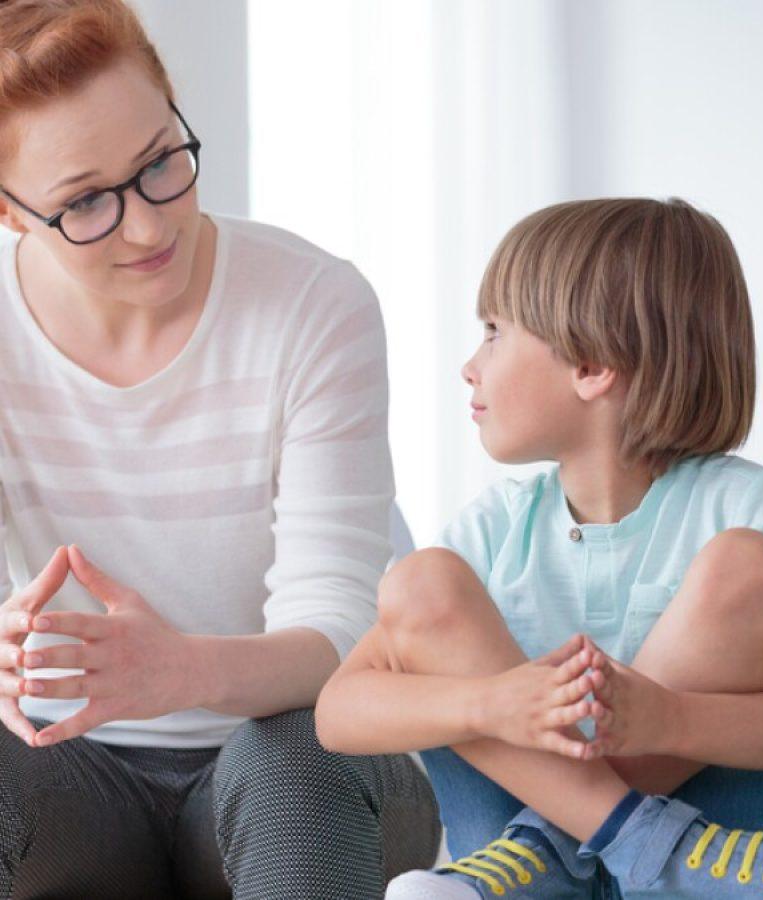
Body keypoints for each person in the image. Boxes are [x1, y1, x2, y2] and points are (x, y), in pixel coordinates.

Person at [315, 198, 763, 898]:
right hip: (543, 875)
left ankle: (567, 850)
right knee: (420, 583)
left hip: (722, 863)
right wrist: (492, 703)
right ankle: (639, 844)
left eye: (494, 332)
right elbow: (338, 713)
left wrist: (671, 718)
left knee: (748, 563)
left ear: (591, 365)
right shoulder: (495, 529)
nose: (470, 366)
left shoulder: (745, 509)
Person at [0, 1, 440, 897]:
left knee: (296, 750)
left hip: (296, 763)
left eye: (162, 161)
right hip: (72, 786)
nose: (151, 226)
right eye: (86, 201)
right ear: (9, 211)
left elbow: (342, 636)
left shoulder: (314, 304)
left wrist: (181, 670)